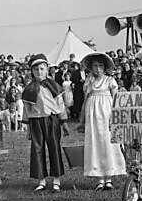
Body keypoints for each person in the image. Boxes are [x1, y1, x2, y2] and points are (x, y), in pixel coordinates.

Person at [21, 53, 70, 192]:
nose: (39, 72)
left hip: (51, 119)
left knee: (54, 147)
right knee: (37, 149)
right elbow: (26, 109)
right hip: (36, 121)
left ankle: (56, 180)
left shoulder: (53, 86)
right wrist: (28, 127)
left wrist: (64, 122)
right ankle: (41, 180)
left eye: (42, 69)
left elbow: (60, 105)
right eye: (36, 70)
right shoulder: (29, 89)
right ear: (32, 71)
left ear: (47, 69)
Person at [79, 52, 126, 191]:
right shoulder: (89, 81)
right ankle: (99, 177)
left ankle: (109, 177)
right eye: (95, 66)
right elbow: (85, 99)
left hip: (107, 113)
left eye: (100, 66)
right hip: (93, 114)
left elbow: (116, 100)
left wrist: (115, 117)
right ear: (91, 68)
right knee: (95, 143)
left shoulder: (110, 81)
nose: (97, 69)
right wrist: (82, 119)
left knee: (107, 143)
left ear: (105, 67)